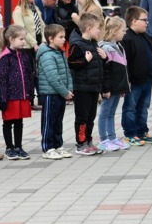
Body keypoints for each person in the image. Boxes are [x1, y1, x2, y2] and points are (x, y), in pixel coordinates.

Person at [67, 15, 106, 155]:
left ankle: (89, 141)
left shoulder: (94, 43)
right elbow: (71, 62)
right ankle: (81, 143)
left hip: (93, 87)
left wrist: (104, 58)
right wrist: (84, 60)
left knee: (91, 117)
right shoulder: (77, 44)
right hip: (82, 87)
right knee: (82, 118)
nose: (99, 30)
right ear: (89, 29)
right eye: (97, 28)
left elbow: (97, 65)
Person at [0, 25, 34, 160]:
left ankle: (18, 147)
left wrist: (30, 93)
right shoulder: (5, 57)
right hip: (10, 96)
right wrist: (3, 99)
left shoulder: (24, 55)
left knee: (19, 122)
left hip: (22, 95)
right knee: (8, 122)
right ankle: (9, 148)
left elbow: (29, 75)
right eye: (21, 39)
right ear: (11, 39)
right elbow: (2, 80)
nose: (24, 42)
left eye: (24, 39)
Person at [120, 6, 152, 147]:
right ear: (134, 21)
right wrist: (127, 80)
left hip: (147, 79)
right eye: (144, 20)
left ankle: (142, 131)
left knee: (143, 107)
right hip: (134, 81)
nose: (147, 23)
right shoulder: (127, 38)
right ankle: (130, 134)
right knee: (130, 108)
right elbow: (125, 62)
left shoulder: (145, 36)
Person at [37, 24, 72, 160]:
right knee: (49, 122)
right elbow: (53, 77)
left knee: (58, 121)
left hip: (60, 93)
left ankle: (58, 146)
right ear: (51, 38)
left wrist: (69, 89)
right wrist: (65, 92)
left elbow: (67, 73)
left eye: (64, 36)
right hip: (50, 94)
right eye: (61, 37)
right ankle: (47, 148)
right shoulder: (47, 55)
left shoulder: (60, 52)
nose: (64, 39)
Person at [97, 17, 130, 151]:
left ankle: (112, 137)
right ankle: (103, 139)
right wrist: (106, 89)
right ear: (115, 31)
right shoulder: (106, 48)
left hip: (117, 86)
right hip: (109, 88)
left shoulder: (119, 46)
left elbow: (122, 69)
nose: (125, 33)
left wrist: (123, 87)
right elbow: (106, 71)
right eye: (123, 30)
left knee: (111, 113)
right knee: (105, 113)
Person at [12, 0, 44, 107]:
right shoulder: (18, 11)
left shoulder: (35, 8)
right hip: (27, 47)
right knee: (29, 73)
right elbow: (22, 30)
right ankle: (29, 100)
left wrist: (43, 41)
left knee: (39, 73)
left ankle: (41, 99)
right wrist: (34, 43)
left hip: (39, 43)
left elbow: (42, 26)